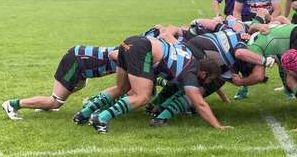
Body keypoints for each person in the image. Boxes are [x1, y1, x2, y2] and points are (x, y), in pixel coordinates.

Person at [73, 33, 227, 133]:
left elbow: (167, 37)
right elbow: (200, 104)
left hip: (131, 41)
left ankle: (83, 114)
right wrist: (218, 126)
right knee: (142, 96)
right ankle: (102, 118)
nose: (206, 83)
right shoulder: (191, 72)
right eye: (208, 80)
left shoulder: (188, 56)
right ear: (204, 73)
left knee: (122, 88)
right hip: (142, 49)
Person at [1, 45, 118, 120]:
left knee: (80, 85)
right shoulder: (131, 54)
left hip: (80, 61)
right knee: (55, 102)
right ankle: (12, 104)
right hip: (76, 61)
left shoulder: (132, 49)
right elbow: (114, 56)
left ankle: (44, 107)